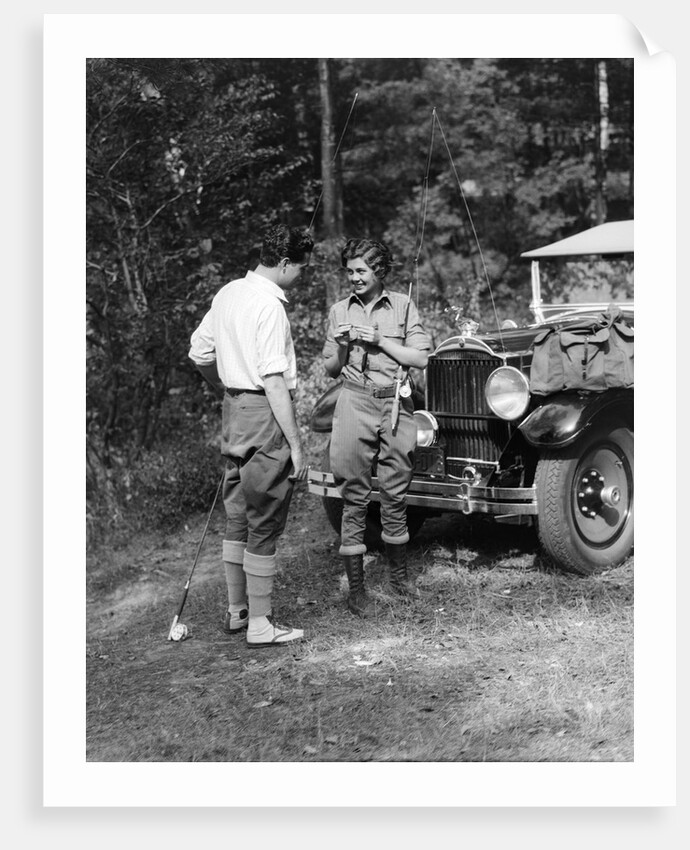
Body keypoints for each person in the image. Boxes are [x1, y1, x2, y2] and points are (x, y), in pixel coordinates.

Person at [189, 224, 314, 647]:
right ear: (283, 263)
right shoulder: (269, 306)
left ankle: (237, 612)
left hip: (234, 409)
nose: (300, 275)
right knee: (264, 515)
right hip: (263, 412)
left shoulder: (228, 292)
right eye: (300, 268)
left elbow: (199, 351)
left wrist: (227, 386)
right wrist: (297, 446)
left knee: (238, 514)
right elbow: (274, 380)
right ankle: (260, 625)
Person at [322, 238, 431, 618]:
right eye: (349, 271)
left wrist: (380, 341)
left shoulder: (402, 306)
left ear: (380, 270)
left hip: (396, 404)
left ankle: (399, 581)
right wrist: (339, 347)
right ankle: (357, 592)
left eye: (361, 271)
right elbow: (330, 369)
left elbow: (419, 357)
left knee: (395, 493)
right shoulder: (339, 310)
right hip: (353, 400)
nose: (354, 278)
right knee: (352, 496)